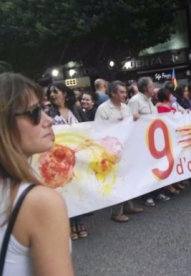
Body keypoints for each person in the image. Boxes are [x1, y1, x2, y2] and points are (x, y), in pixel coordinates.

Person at [0, 71, 73, 275]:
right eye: (34, 112)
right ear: (2, 125)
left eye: (45, 109)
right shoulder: (40, 203)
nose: (49, 120)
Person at [95, 80, 144, 222]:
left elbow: (131, 127)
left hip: (125, 148)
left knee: (126, 177)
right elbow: (99, 130)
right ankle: (116, 212)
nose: (124, 94)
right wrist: (117, 123)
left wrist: (134, 119)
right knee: (116, 180)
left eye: (124, 92)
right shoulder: (103, 109)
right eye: (121, 92)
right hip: (111, 150)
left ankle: (128, 206)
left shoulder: (125, 108)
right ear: (113, 93)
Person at [46, 83, 89, 239]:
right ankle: (69, 223)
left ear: (64, 93)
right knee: (65, 192)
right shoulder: (49, 113)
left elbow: (88, 128)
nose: (52, 95)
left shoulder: (76, 110)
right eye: (50, 92)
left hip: (78, 159)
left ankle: (80, 222)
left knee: (77, 190)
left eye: (55, 91)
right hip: (59, 160)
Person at [128, 77, 170, 207]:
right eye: (152, 86)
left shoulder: (151, 101)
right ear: (146, 88)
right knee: (145, 169)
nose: (154, 88)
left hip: (154, 141)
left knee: (156, 166)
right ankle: (147, 196)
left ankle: (158, 192)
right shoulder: (135, 101)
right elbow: (130, 121)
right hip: (141, 142)